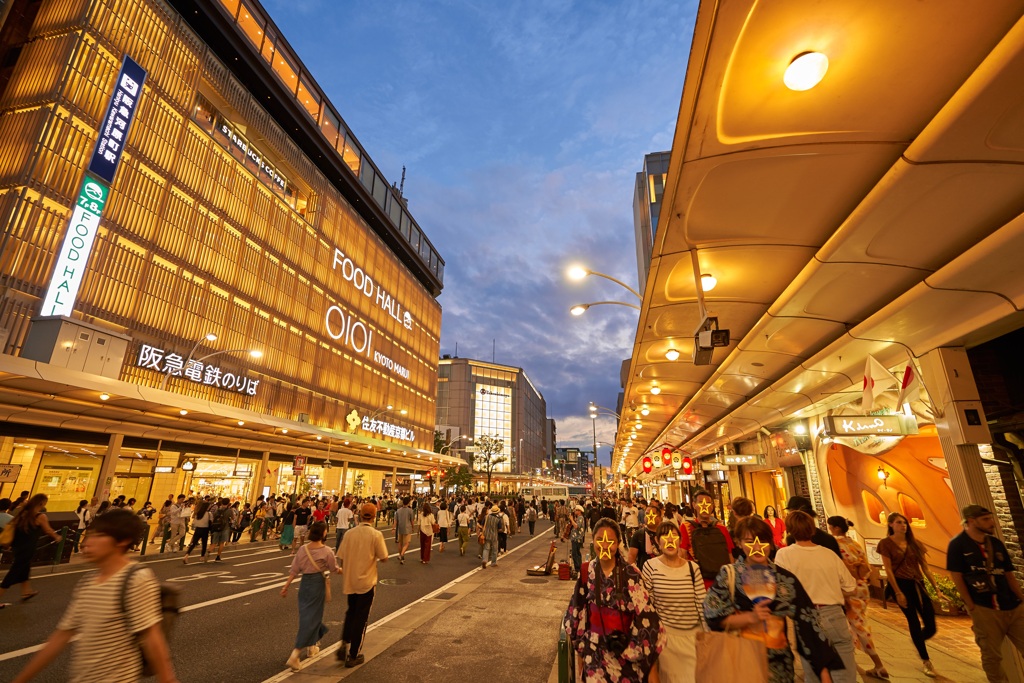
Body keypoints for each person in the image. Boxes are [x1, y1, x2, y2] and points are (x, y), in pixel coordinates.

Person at [12, 509, 178, 683]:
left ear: (122, 541)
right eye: (89, 535)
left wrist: (167, 679)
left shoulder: (136, 578)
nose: (87, 544)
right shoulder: (88, 581)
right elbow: (61, 636)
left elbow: (151, 636)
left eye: (98, 536)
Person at [704, 517, 843, 683]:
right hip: (740, 660)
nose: (757, 547)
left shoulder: (785, 579)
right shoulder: (729, 576)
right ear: (739, 543)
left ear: (770, 543)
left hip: (779, 664)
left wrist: (823, 671)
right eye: (749, 541)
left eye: (762, 541)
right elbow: (713, 616)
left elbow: (808, 622)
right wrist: (750, 617)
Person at [563, 518, 665, 682]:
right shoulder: (586, 571)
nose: (604, 546)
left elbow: (648, 620)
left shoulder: (631, 573)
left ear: (618, 544)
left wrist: (639, 655)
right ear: (593, 539)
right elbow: (576, 615)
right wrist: (581, 657)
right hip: (594, 655)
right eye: (599, 540)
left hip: (625, 653)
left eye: (610, 541)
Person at [775, 511, 858, 683]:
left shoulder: (784, 555)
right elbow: (851, 587)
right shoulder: (829, 554)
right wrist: (830, 589)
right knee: (845, 674)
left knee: (813, 674)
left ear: (790, 530)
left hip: (806, 618)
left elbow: (782, 591)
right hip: (835, 615)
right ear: (812, 530)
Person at [948, 504, 1024, 683]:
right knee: (992, 657)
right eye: (986, 519)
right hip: (985, 609)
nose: (992, 523)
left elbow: (1008, 574)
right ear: (972, 521)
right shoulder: (958, 545)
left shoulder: (995, 543)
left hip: (1012, 607)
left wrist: (1021, 598)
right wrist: (971, 605)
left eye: (991, 518)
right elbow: (957, 576)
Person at [878, 511, 940, 678]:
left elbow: (925, 567)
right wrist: (898, 592)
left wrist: (936, 588)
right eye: (899, 522)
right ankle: (926, 661)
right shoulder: (885, 544)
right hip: (901, 585)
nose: (903, 525)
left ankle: (917, 639)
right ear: (891, 525)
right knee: (912, 619)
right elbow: (889, 569)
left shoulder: (915, 544)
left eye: (904, 522)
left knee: (931, 625)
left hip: (918, 584)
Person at [642, 521, 706, 683]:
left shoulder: (693, 568)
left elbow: (702, 604)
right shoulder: (650, 566)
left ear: (680, 540)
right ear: (657, 541)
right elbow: (648, 606)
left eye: (674, 536)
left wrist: (706, 636)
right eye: (665, 536)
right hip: (666, 641)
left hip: (693, 639)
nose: (670, 541)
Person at [827, 515, 889, 679]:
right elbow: (866, 569)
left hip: (847, 589)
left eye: (830, 527)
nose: (829, 530)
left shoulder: (836, 545)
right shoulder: (854, 544)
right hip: (861, 587)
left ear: (836, 528)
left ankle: (878, 663)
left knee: (857, 625)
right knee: (857, 622)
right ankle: (852, 656)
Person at [280, 521, 339, 672]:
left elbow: (294, 570)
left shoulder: (302, 549)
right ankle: (295, 654)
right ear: (324, 533)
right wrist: (342, 570)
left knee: (309, 616)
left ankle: (312, 647)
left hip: (304, 584)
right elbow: (333, 568)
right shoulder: (326, 551)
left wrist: (285, 587)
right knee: (310, 619)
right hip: (317, 585)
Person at [336, 503, 389, 668]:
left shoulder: (350, 534)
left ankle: (344, 641)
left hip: (350, 580)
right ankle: (353, 655)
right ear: (374, 516)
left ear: (359, 514)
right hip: (367, 581)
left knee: (351, 612)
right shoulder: (376, 534)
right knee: (361, 618)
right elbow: (384, 557)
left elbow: (341, 556)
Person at [0, 493, 61, 606]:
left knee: (25, 568)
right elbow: (48, 530)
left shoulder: (22, 513)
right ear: (42, 503)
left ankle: (26, 592)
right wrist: (57, 537)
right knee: (13, 572)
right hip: (28, 547)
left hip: (17, 546)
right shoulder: (40, 516)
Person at [688, 490, 733, 589]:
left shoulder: (721, 528)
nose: (705, 506)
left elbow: (730, 556)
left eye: (708, 503)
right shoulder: (687, 527)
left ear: (712, 506)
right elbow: (682, 556)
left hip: (722, 582)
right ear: (694, 505)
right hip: (698, 583)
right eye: (701, 503)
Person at [182, 499, 212, 564]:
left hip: (198, 529)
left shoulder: (198, 513)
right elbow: (211, 522)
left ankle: (186, 555)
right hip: (205, 530)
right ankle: (202, 557)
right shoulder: (209, 514)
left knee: (193, 543)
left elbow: (194, 522)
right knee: (204, 543)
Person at [394, 496, 414, 565]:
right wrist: (413, 527)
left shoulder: (398, 510)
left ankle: (400, 555)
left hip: (400, 528)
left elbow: (395, 520)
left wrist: (393, 528)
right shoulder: (410, 510)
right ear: (408, 502)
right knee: (407, 543)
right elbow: (411, 520)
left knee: (400, 542)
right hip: (407, 528)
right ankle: (402, 554)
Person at [569, 506, 587, 579]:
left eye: (576, 510)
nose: (575, 511)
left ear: (579, 511)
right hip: (577, 538)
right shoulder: (580, 518)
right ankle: (579, 567)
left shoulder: (580, 518)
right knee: (577, 553)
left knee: (575, 553)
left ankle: (577, 568)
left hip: (577, 538)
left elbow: (576, 526)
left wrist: (571, 520)